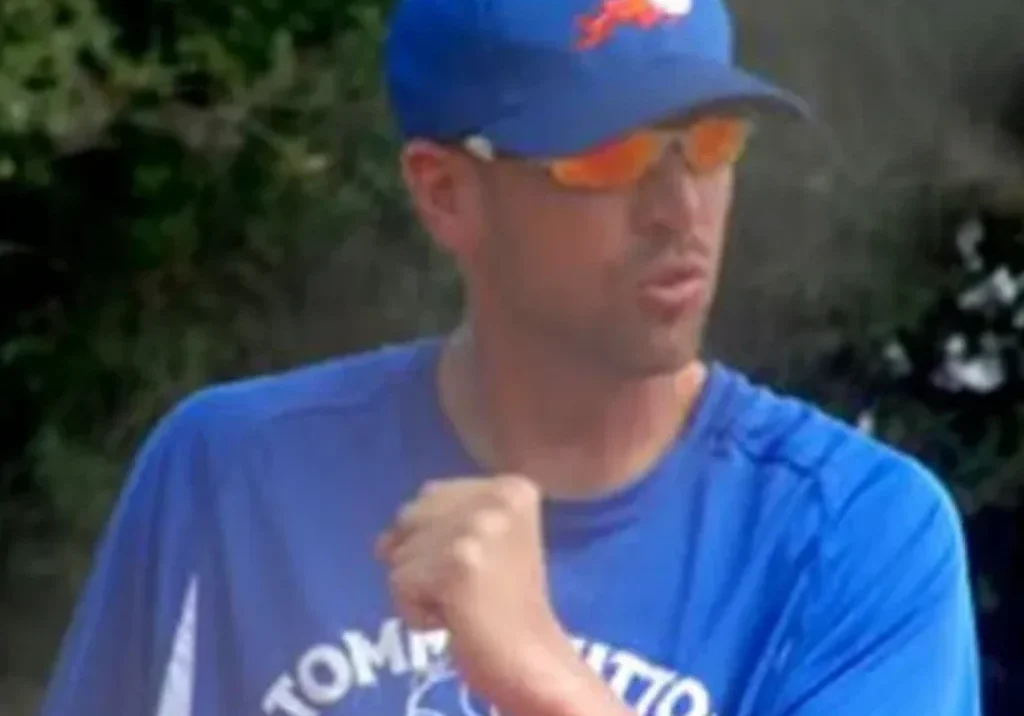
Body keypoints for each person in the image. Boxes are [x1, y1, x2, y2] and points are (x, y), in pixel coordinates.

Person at [40, 0, 983, 713]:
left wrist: (542, 678)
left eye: (710, 142)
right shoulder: (236, 478)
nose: (679, 208)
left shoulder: (858, 536)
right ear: (446, 194)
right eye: (609, 157)